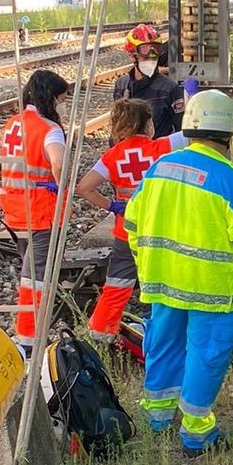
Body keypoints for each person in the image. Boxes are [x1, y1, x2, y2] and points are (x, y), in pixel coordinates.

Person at [125, 89, 233, 456]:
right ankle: (196, 432)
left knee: (163, 347)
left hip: (162, 283)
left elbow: (132, 223)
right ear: (230, 134)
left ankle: (157, 417)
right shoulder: (232, 181)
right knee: (205, 356)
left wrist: (150, 263)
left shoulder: (160, 168)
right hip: (214, 292)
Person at [75, 99, 187, 342]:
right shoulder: (161, 147)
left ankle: (100, 334)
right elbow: (192, 133)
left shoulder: (112, 156)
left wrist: (113, 206)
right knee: (161, 284)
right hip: (159, 230)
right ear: (147, 124)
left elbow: (84, 187)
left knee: (117, 283)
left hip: (126, 230)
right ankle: (161, 335)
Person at [0, 69, 71, 354]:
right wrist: (63, 186)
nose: (63, 105)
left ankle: (30, 332)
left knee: (30, 271)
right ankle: (28, 340)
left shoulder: (13, 123)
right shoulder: (48, 128)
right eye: (62, 99)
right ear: (51, 98)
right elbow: (59, 163)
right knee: (35, 277)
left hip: (15, 209)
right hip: (41, 211)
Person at [114, 23, 185, 138]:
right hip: (130, 153)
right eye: (145, 57)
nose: (151, 60)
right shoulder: (121, 85)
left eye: (154, 57)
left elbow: (180, 129)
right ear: (132, 56)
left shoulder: (169, 88)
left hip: (159, 153)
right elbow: (117, 127)